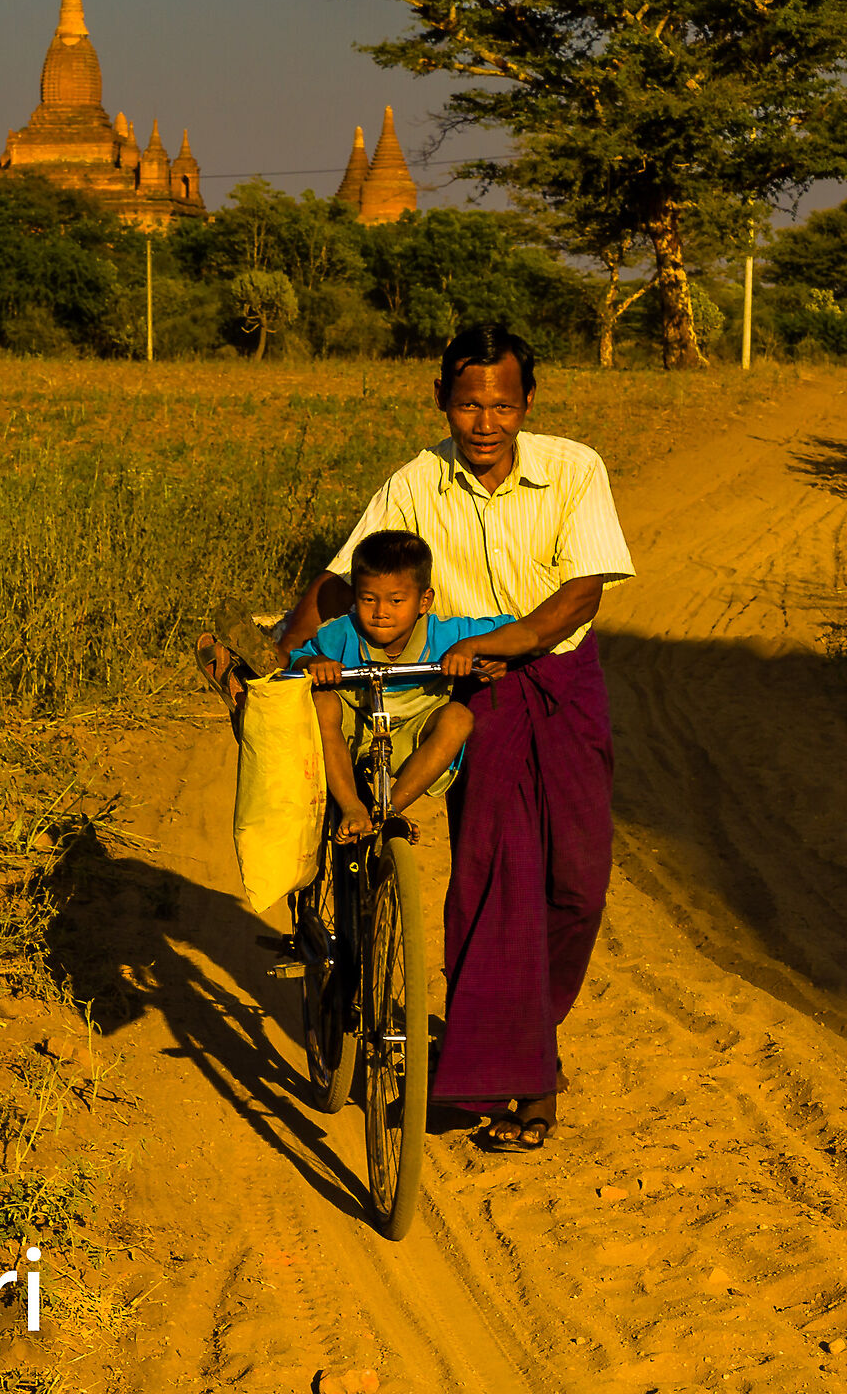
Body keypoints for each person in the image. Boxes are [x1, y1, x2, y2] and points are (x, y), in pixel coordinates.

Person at [276, 327, 633, 1153]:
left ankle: (514, 1037)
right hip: (478, 694)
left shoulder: (575, 469)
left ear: (527, 404)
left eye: (502, 404)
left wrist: (502, 643)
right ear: (442, 400)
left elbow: (581, 595)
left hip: (564, 679)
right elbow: (342, 579)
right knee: (496, 878)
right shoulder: (415, 481)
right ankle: (520, 1081)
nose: (485, 421)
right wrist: (288, 661)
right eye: (469, 403)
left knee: (579, 884)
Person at [290, 529, 543, 842]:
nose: (381, 612)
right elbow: (299, 657)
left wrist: (475, 648)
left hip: (412, 734)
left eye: (396, 600)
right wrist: (313, 665)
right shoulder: (341, 633)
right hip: (351, 733)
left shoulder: (444, 635)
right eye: (368, 599)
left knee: (458, 718)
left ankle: (390, 809)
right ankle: (352, 807)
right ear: (355, 596)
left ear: (425, 601)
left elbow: (514, 629)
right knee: (323, 702)